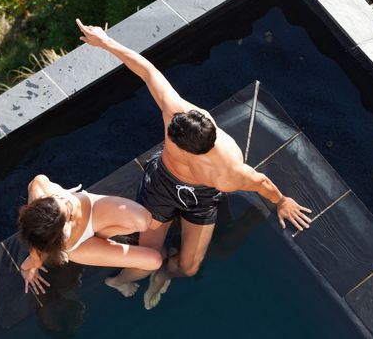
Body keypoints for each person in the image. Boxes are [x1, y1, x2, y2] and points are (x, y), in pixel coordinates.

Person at [76, 18, 312, 309]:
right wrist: (105, 42)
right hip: (162, 183)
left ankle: (165, 275)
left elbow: (260, 183)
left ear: (191, 151)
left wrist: (282, 201)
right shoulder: (177, 113)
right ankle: (121, 280)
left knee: (188, 268)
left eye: (173, 141)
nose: (167, 132)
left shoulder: (228, 173)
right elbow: (148, 72)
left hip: (201, 196)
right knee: (146, 259)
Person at [18, 174, 163, 297]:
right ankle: (118, 281)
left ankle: (103, 237)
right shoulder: (46, 242)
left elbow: (38, 179)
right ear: (62, 232)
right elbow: (35, 255)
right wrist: (27, 268)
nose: (66, 201)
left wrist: (60, 192)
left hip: (93, 211)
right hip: (81, 246)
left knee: (143, 221)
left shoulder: (42, 193)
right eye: (68, 213)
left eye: (58, 200)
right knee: (154, 261)